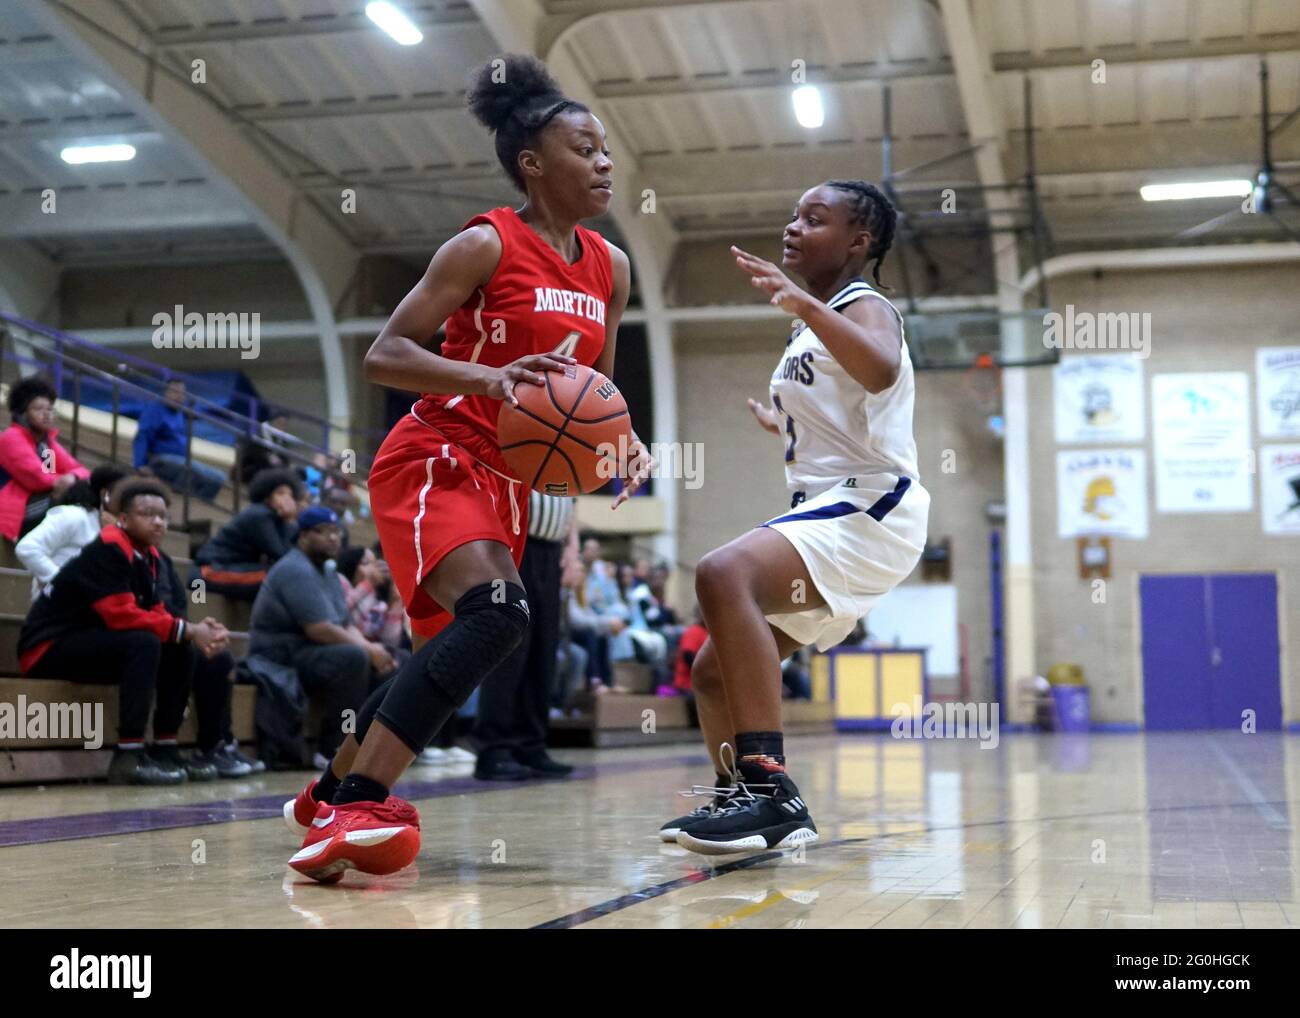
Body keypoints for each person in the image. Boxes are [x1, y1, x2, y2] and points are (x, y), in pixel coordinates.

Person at [282, 53, 650, 882]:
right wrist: (484, 377)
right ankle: (360, 800)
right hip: (437, 456)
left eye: (606, 150)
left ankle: (327, 791)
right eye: (584, 149)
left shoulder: (612, 268)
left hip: (512, 484)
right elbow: (386, 353)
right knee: (498, 615)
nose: (604, 163)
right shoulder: (485, 243)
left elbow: (597, 387)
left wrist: (618, 440)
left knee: (450, 652)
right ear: (532, 163)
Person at [661, 180, 929, 854]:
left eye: (815, 219)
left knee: (724, 574)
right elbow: (846, 417)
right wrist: (779, 421)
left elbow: (881, 370)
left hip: (872, 506)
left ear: (858, 241)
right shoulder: (818, 318)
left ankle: (769, 788)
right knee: (712, 672)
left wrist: (802, 302)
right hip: (835, 505)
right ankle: (738, 804)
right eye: (793, 215)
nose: (793, 228)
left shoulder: (865, 306)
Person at [17, 479, 230, 785]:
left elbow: (154, 612)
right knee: (143, 642)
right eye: (147, 513)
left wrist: (197, 631)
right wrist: (187, 629)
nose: (157, 521)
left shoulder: (150, 556)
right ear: (123, 518)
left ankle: (166, 747)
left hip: (91, 642)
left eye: (163, 515)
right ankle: (127, 755)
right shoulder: (109, 546)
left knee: (178, 645)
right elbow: (120, 615)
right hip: (47, 646)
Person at [249, 506, 394, 766]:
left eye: (336, 532)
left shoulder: (327, 570)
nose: (333, 538)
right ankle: (332, 750)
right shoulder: (295, 568)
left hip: (309, 650)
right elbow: (319, 629)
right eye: (323, 532)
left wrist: (375, 651)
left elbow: (344, 623)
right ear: (303, 535)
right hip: (278, 656)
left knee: (391, 661)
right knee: (353, 657)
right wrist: (367, 651)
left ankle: (374, 745)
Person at [473, 490, 577, 781]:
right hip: (514, 544)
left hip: (552, 550)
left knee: (543, 651)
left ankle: (530, 744)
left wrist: (572, 547)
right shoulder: (522, 445)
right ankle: (493, 749)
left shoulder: (567, 454)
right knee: (510, 648)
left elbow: (572, 499)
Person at [16, 462, 130, 599]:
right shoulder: (74, 516)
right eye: (126, 494)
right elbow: (28, 548)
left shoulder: (123, 528)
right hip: (57, 609)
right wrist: (65, 583)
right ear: (105, 494)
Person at [0, 375, 90, 543]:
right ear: (22, 413)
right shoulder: (11, 438)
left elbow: (80, 470)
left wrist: (71, 477)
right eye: (39, 409)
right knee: (73, 499)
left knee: (86, 496)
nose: (47, 414)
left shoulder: (45, 444)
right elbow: (39, 479)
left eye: (50, 409)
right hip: (14, 512)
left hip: (38, 503)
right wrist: (64, 481)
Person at [193, 468, 302, 600]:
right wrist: (290, 520)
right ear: (267, 495)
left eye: (290, 495)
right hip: (208, 572)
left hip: (236, 568)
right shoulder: (258, 515)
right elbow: (281, 555)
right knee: (282, 575)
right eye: (280, 493)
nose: (287, 499)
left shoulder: (275, 518)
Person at [133, 378, 226, 501]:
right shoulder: (154, 409)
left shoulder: (180, 413)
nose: (178, 396)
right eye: (174, 392)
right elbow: (142, 435)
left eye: (182, 393)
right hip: (160, 460)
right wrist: (139, 464)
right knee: (191, 470)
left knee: (218, 477)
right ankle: (179, 500)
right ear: (165, 393)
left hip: (181, 460)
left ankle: (198, 504)